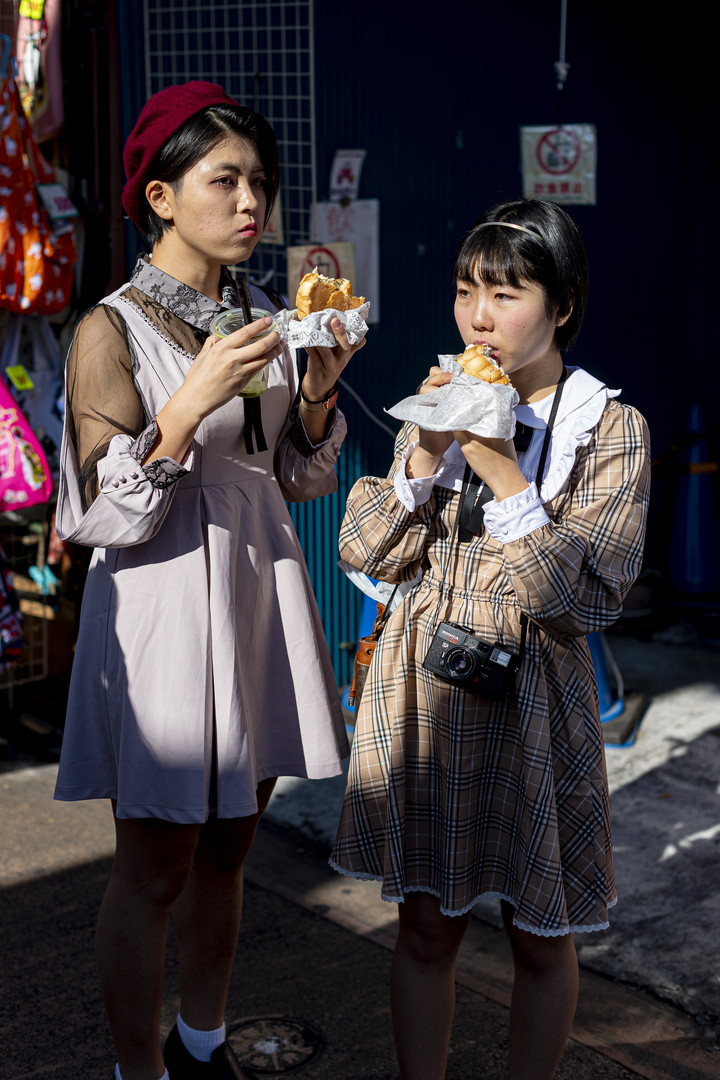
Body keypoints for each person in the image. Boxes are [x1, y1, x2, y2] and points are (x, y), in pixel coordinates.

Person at [54, 81, 364, 1080]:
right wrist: (181, 411)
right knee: (153, 868)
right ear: (158, 195)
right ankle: (133, 1069)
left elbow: (295, 480)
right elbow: (99, 514)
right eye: (224, 180)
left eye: (260, 184)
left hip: (254, 594)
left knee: (231, 848)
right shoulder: (110, 330)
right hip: (160, 607)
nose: (251, 205)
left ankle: (201, 1042)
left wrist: (315, 396)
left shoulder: (263, 317)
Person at [330, 199, 650, 1080]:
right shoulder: (441, 399)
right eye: (467, 289)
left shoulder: (610, 429)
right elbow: (365, 552)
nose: (479, 315)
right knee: (426, 924)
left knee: (542, 935)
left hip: (537, 700)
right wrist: (427, 452)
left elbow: (579, 604)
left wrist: (503, 463)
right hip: (427, 688)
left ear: (564, 303)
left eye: (506, 293)